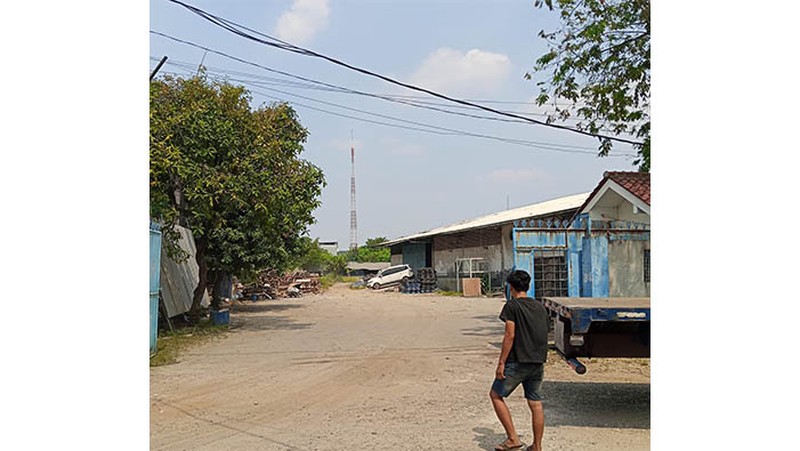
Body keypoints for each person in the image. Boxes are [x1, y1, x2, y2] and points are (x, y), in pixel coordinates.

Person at [489, 270, 549, 451]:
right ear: (528, 286)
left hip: (517, 361)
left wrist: (501, 363)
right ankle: (537, 446)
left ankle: (513, 438)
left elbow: (510, 334)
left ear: (511, 287)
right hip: (537, 361)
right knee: (535, 403)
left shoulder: (512, 307)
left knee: (496, 395)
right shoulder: (539, 306)